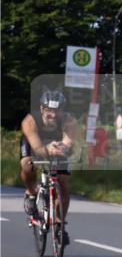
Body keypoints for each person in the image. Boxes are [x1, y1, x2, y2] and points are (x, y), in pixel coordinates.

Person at [20, 89, 77, 244]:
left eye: (57, 110)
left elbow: (68, 142)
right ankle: (32, 194)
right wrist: (46, 149)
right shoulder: (29, 121)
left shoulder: (69, 120)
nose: (52, 114)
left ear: (62, 110)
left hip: (56, 145)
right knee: (27, 165)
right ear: (41, 109)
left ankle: (59, 224)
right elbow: (37, 149)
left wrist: (63, 147)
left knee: (63, 181)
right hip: (35, 144)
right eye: (48, 110)